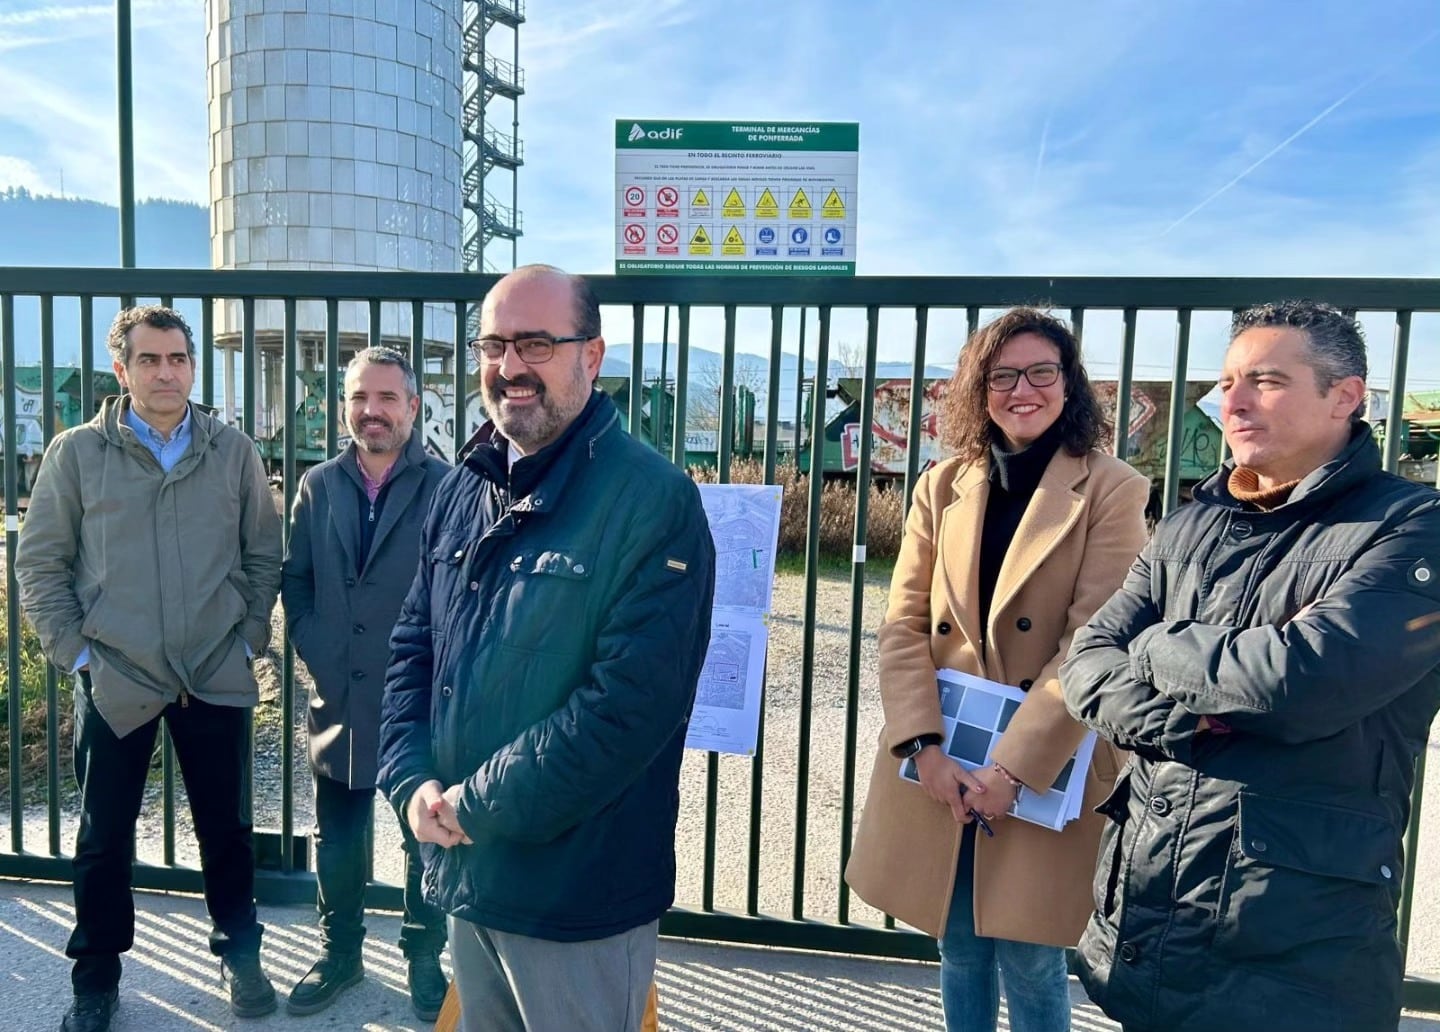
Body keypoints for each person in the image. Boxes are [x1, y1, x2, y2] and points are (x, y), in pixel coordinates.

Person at [1062, 300, 1440, 1032]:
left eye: (1265, 380)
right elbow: (1086, 663)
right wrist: (1196, 713)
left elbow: (1296, 684)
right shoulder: (1191, 521)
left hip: (1292, 947)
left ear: (1345, 395)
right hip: (1152, 919)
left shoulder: (1410, 526)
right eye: (1228, 382)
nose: (1231, 402)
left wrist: (1155, 642)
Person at [377, 264, 716, 1032]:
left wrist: (476, 804)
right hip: (467, 865)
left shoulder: (652, 500)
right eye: (494, 345)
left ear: (590, 357)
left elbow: (626, 709)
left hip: (579, 894)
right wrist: (410, 781)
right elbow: (412, 647)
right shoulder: (462, 488)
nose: (510, 367)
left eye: (536, 343)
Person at [846, 307, 1150, 1032]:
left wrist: (1011, 772)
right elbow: (904, 624)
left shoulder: (1115, 488)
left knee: (1030, 956)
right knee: (958, 945)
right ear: (976, 391)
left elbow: (1093, 641)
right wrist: (924, 750)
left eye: (1042, 371)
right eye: (1002, 375)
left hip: (1046, 758)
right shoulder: (942, 483)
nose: (1023, 390)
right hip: (947, 755)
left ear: (1069, 385)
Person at [15, 306, 283, 1032]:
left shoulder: (234, 453)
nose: (166, 373)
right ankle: (96, 976)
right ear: (122, 370)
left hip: (212, 669)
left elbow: (263, 553)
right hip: (118, 675)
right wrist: (77, 656)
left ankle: (240, 953)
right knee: (104, 834)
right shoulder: (76, 454)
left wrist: (249, 639)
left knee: (226, 828)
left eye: (178, 359)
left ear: (194, 366)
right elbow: (40, 564)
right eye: (150, 360)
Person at [281, 347, 450, 1018]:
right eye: (359, 398)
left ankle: (423, 959)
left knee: (424, 839)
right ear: (344, 405)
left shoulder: (448, 486)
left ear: (413, 406)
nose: (371, 412)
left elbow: (463, 593)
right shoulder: (318, 484)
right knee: (340, 838)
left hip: (417, 702)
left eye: (386, 398)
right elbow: (297, 581)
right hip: (340, 695)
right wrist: (318, 648)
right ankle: (341, 955)